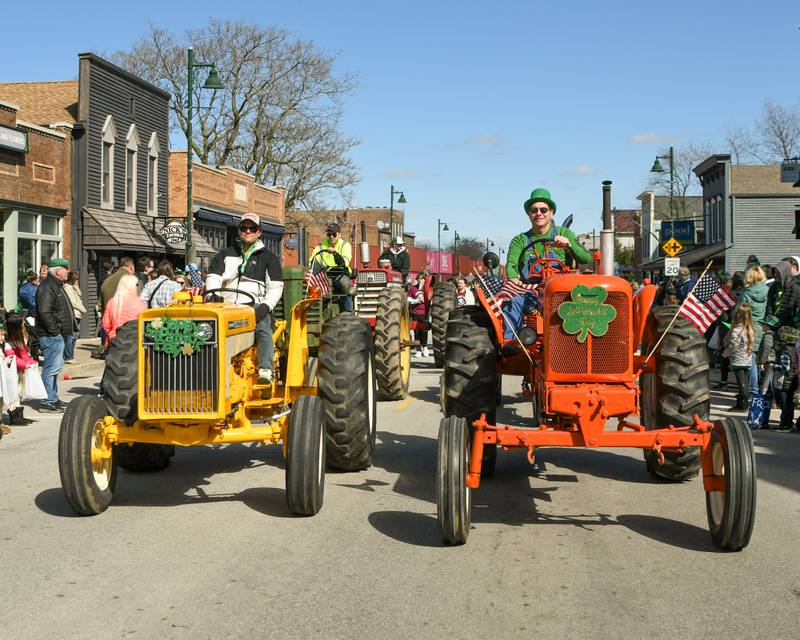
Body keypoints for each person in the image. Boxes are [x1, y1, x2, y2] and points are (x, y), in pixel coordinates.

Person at [206, 213, 283, 387]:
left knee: (263, 324)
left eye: (252, 228)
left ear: (259, 232)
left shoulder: (269, 258)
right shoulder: (225, 255)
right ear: (239, 230)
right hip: (226, 306)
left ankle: (265, 369)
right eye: (244, 228)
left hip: (253, 305)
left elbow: (275, 288)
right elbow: (213, 277)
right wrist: (212, 295)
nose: (247, 231)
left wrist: (264, 307)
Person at [504, 188, 591, 339]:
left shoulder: (564, 233)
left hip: (565, 293)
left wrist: (569, 245)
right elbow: (511, 264)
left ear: (551, 212)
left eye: (544, 209)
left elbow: (585, 258)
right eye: (534, 210)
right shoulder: (520, 240)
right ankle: (514, 345)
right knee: (514, 303)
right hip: (533, 291)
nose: (539, 213)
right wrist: (514, 278)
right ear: (529, 213)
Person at [34, 258, 75, 413]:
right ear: (58, 271)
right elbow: (44, 312)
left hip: (54, 335)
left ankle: (53, 398)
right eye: (65, 268)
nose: (67, 271)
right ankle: (47, 401)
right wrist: (55, 331)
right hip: (50, 335)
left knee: (54, 369)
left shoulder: (55, 285)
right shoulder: (48, 286)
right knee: (50, 369)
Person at [735, 265, 768, 398]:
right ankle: (764, 390)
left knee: (752, 358)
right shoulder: (768, 291)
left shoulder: (746, 293)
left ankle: (753, 389)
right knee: (763, 359)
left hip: (749, 327)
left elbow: (740, 312)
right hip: (764, 327)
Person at [310, 222, 353, 312]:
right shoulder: (320, 247)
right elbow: (312, 263)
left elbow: (344, 263)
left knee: (346, 284)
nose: (331, 236)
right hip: (324, 276)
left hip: (340, 275)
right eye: (329, 234)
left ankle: (347, 312)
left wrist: (335, 254)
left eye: (334, 234)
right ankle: (316, 313)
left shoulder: (345, 245)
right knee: (311, 287)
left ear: (339, 234)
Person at [3, 313, 36, 426]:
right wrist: (25, 364)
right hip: (13, 372)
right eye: (22, 323)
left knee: (19, 392)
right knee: (14, 393)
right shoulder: (9, 343)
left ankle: (19, 415)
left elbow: (24, 354)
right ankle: (14, 416)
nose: (24, 324)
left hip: (21, 370)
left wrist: (31, 362)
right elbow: (13, 359)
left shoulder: (21, 338)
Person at [725, 303, 755, 411]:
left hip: (738, 359)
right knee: (745, 381)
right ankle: (742, 403)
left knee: (741, 383)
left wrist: (725, 354)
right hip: (747, 358)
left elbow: (733, 345)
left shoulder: (737, 330)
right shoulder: (750, 329)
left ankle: (743, 405)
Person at [102, 274, 146, 343]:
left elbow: (106, 324)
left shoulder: (112, 302)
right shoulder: (141, 303)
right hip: (136, 342)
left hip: (115, 342)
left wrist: (111, 334)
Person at [62, 271, 86, 364]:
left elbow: (80, 294)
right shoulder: (67, 288)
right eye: (76, 280)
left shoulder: (73, 287)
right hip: (73, 314)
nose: (77, 281)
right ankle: (68, 356)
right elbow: (73, 302)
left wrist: (76, 285)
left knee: (74, 336)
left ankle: (70, 355)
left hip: (77, 314)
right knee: (71, 336)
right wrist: (83, 309)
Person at [407, 273, 429, 357]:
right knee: (416, 331)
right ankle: (418, 350)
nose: (420, 280)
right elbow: (408, 299)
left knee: (424, 331)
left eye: (422, 279)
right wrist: (416, 301)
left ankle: (425, 347)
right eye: (419, 278)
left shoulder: (427, 289)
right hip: (415, 312)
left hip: (424, 313)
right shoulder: (413, 288)